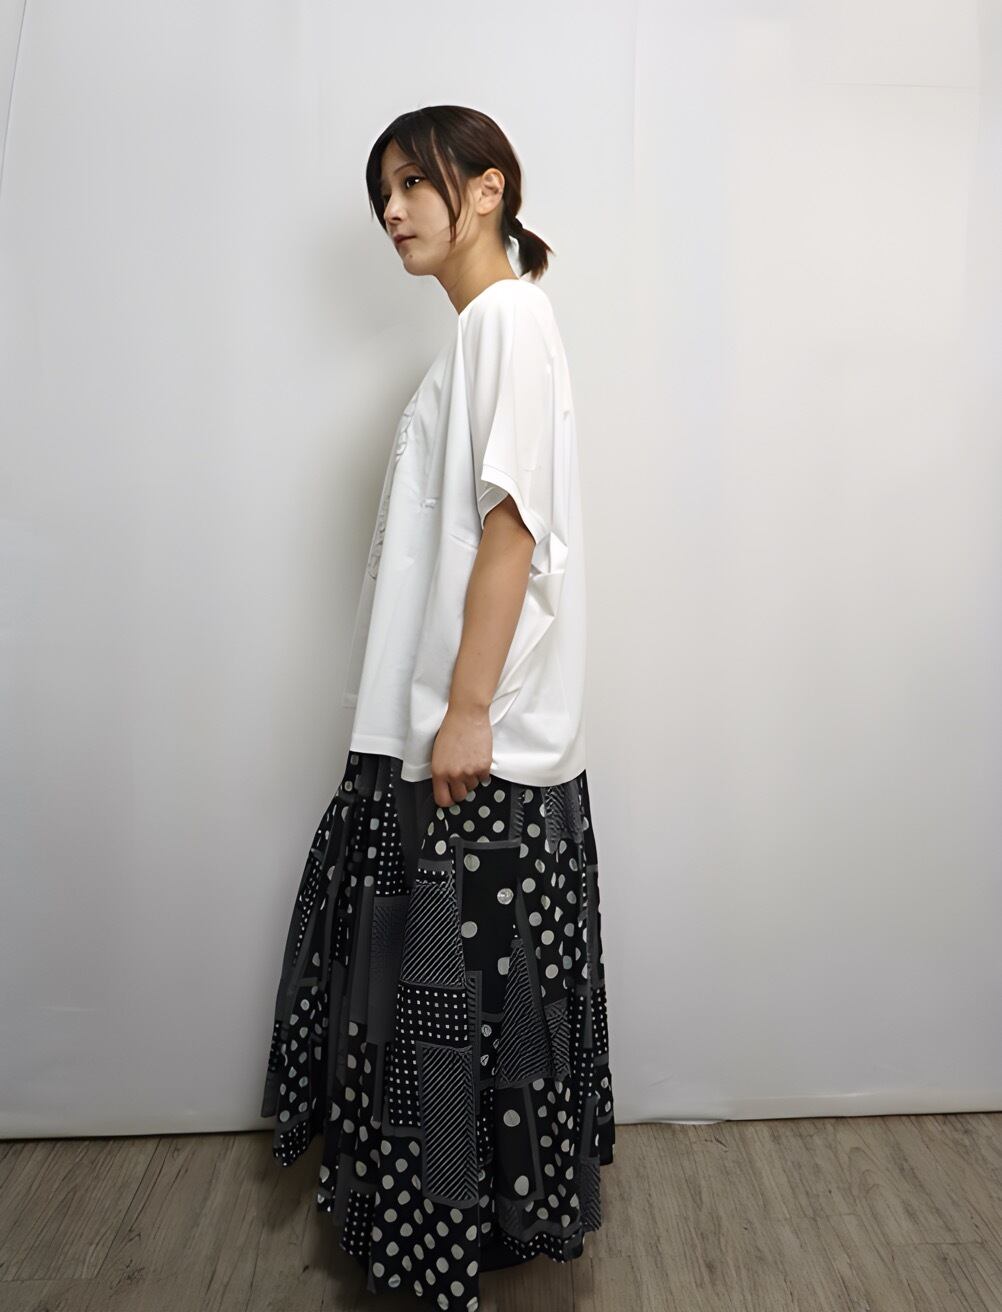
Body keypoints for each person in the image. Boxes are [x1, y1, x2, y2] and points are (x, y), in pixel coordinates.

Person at [261, 105, 615, 1312]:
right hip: (439, 727)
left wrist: (467, 710)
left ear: (488, 188)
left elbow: (511, 527)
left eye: (416, 182)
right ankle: (464, 1236)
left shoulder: (506, 318)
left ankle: (448, 1242)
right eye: (384, 192)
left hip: (473, 740)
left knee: (449, 1015)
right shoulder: (483, 332)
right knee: (460, 1013)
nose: (393, 210)